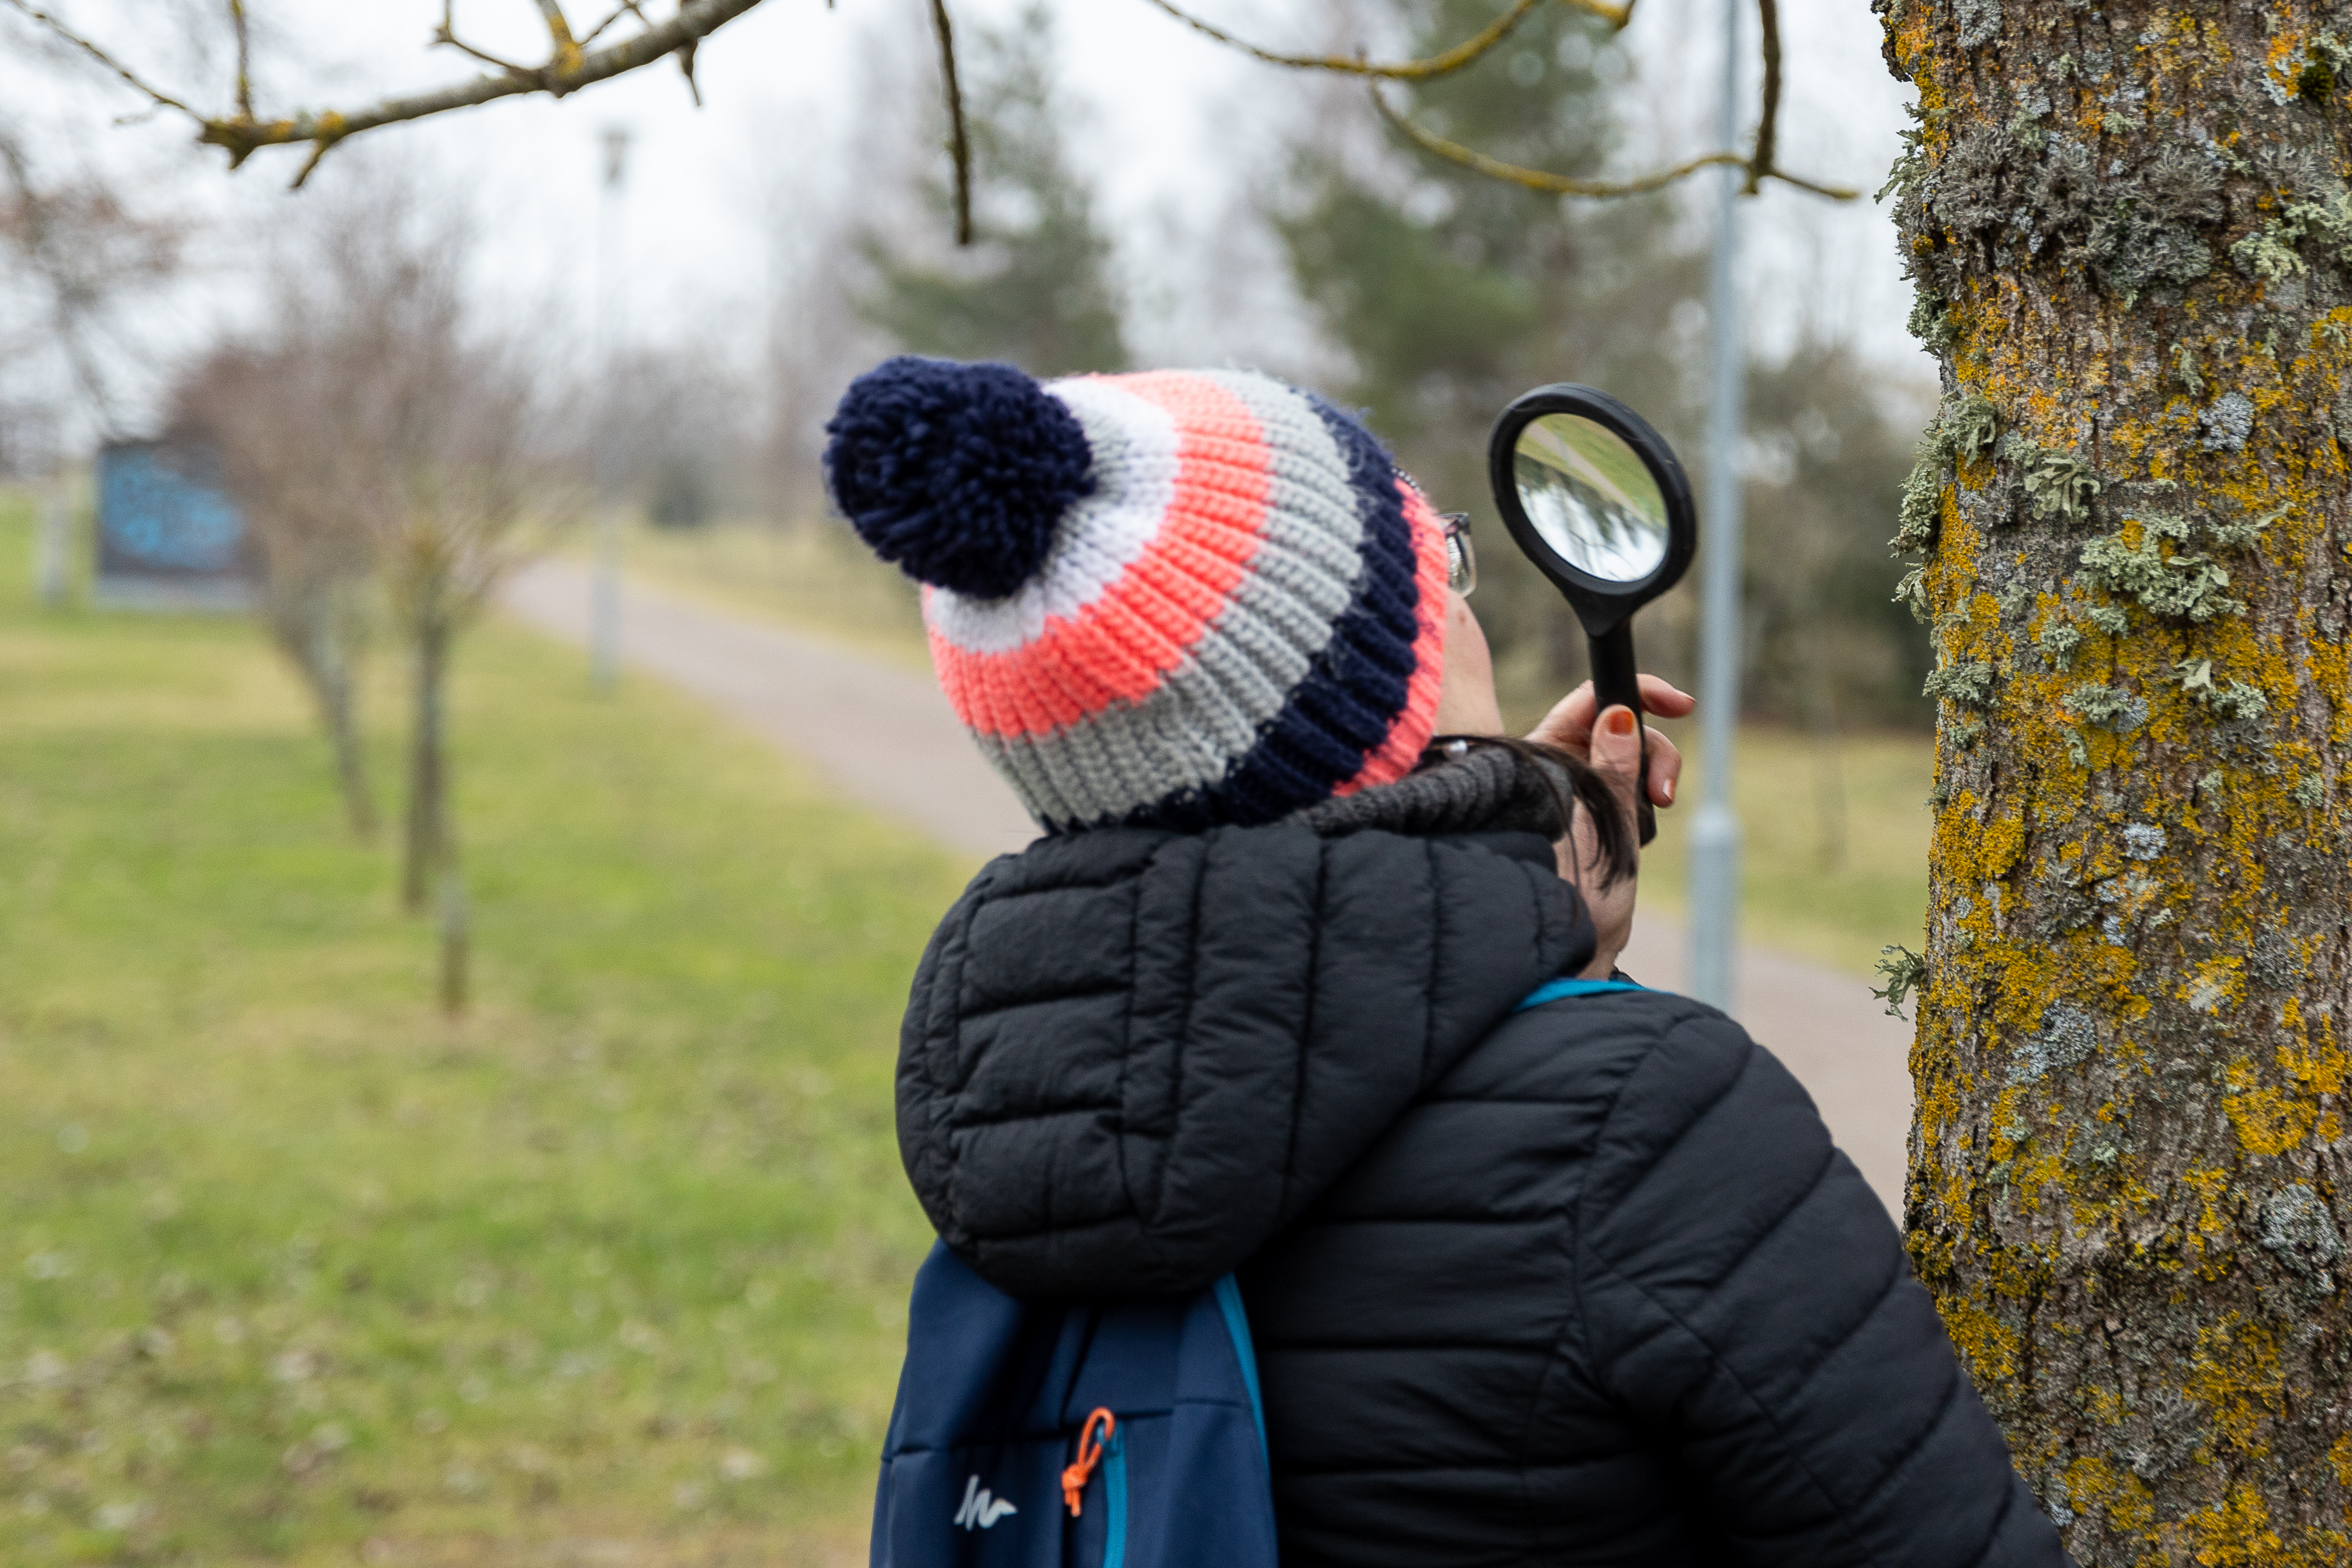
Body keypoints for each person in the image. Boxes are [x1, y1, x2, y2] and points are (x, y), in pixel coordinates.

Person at [826, 356, 2069, 1567]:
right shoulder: (1650, 1118)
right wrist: (1555, 986)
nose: (1461, 605)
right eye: (1443, 564)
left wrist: (1524, 911)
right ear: (1388, 674)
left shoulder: (1006, 1109)